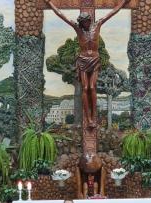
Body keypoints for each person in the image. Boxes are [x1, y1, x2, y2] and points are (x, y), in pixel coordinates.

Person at [45, 0, 130, 129]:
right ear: (80, 22)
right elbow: (62, 15)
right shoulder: (78, 30)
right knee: (85, 88)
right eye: (83, 22)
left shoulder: (98, 25)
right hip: (83, 60)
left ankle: (93, 115)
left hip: (95, 60)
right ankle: (89, 118)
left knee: (92, 87)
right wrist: (50, 4)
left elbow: (112, 12)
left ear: (90, 20)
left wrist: (123, 3)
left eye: (86, 21)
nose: (85, 24)